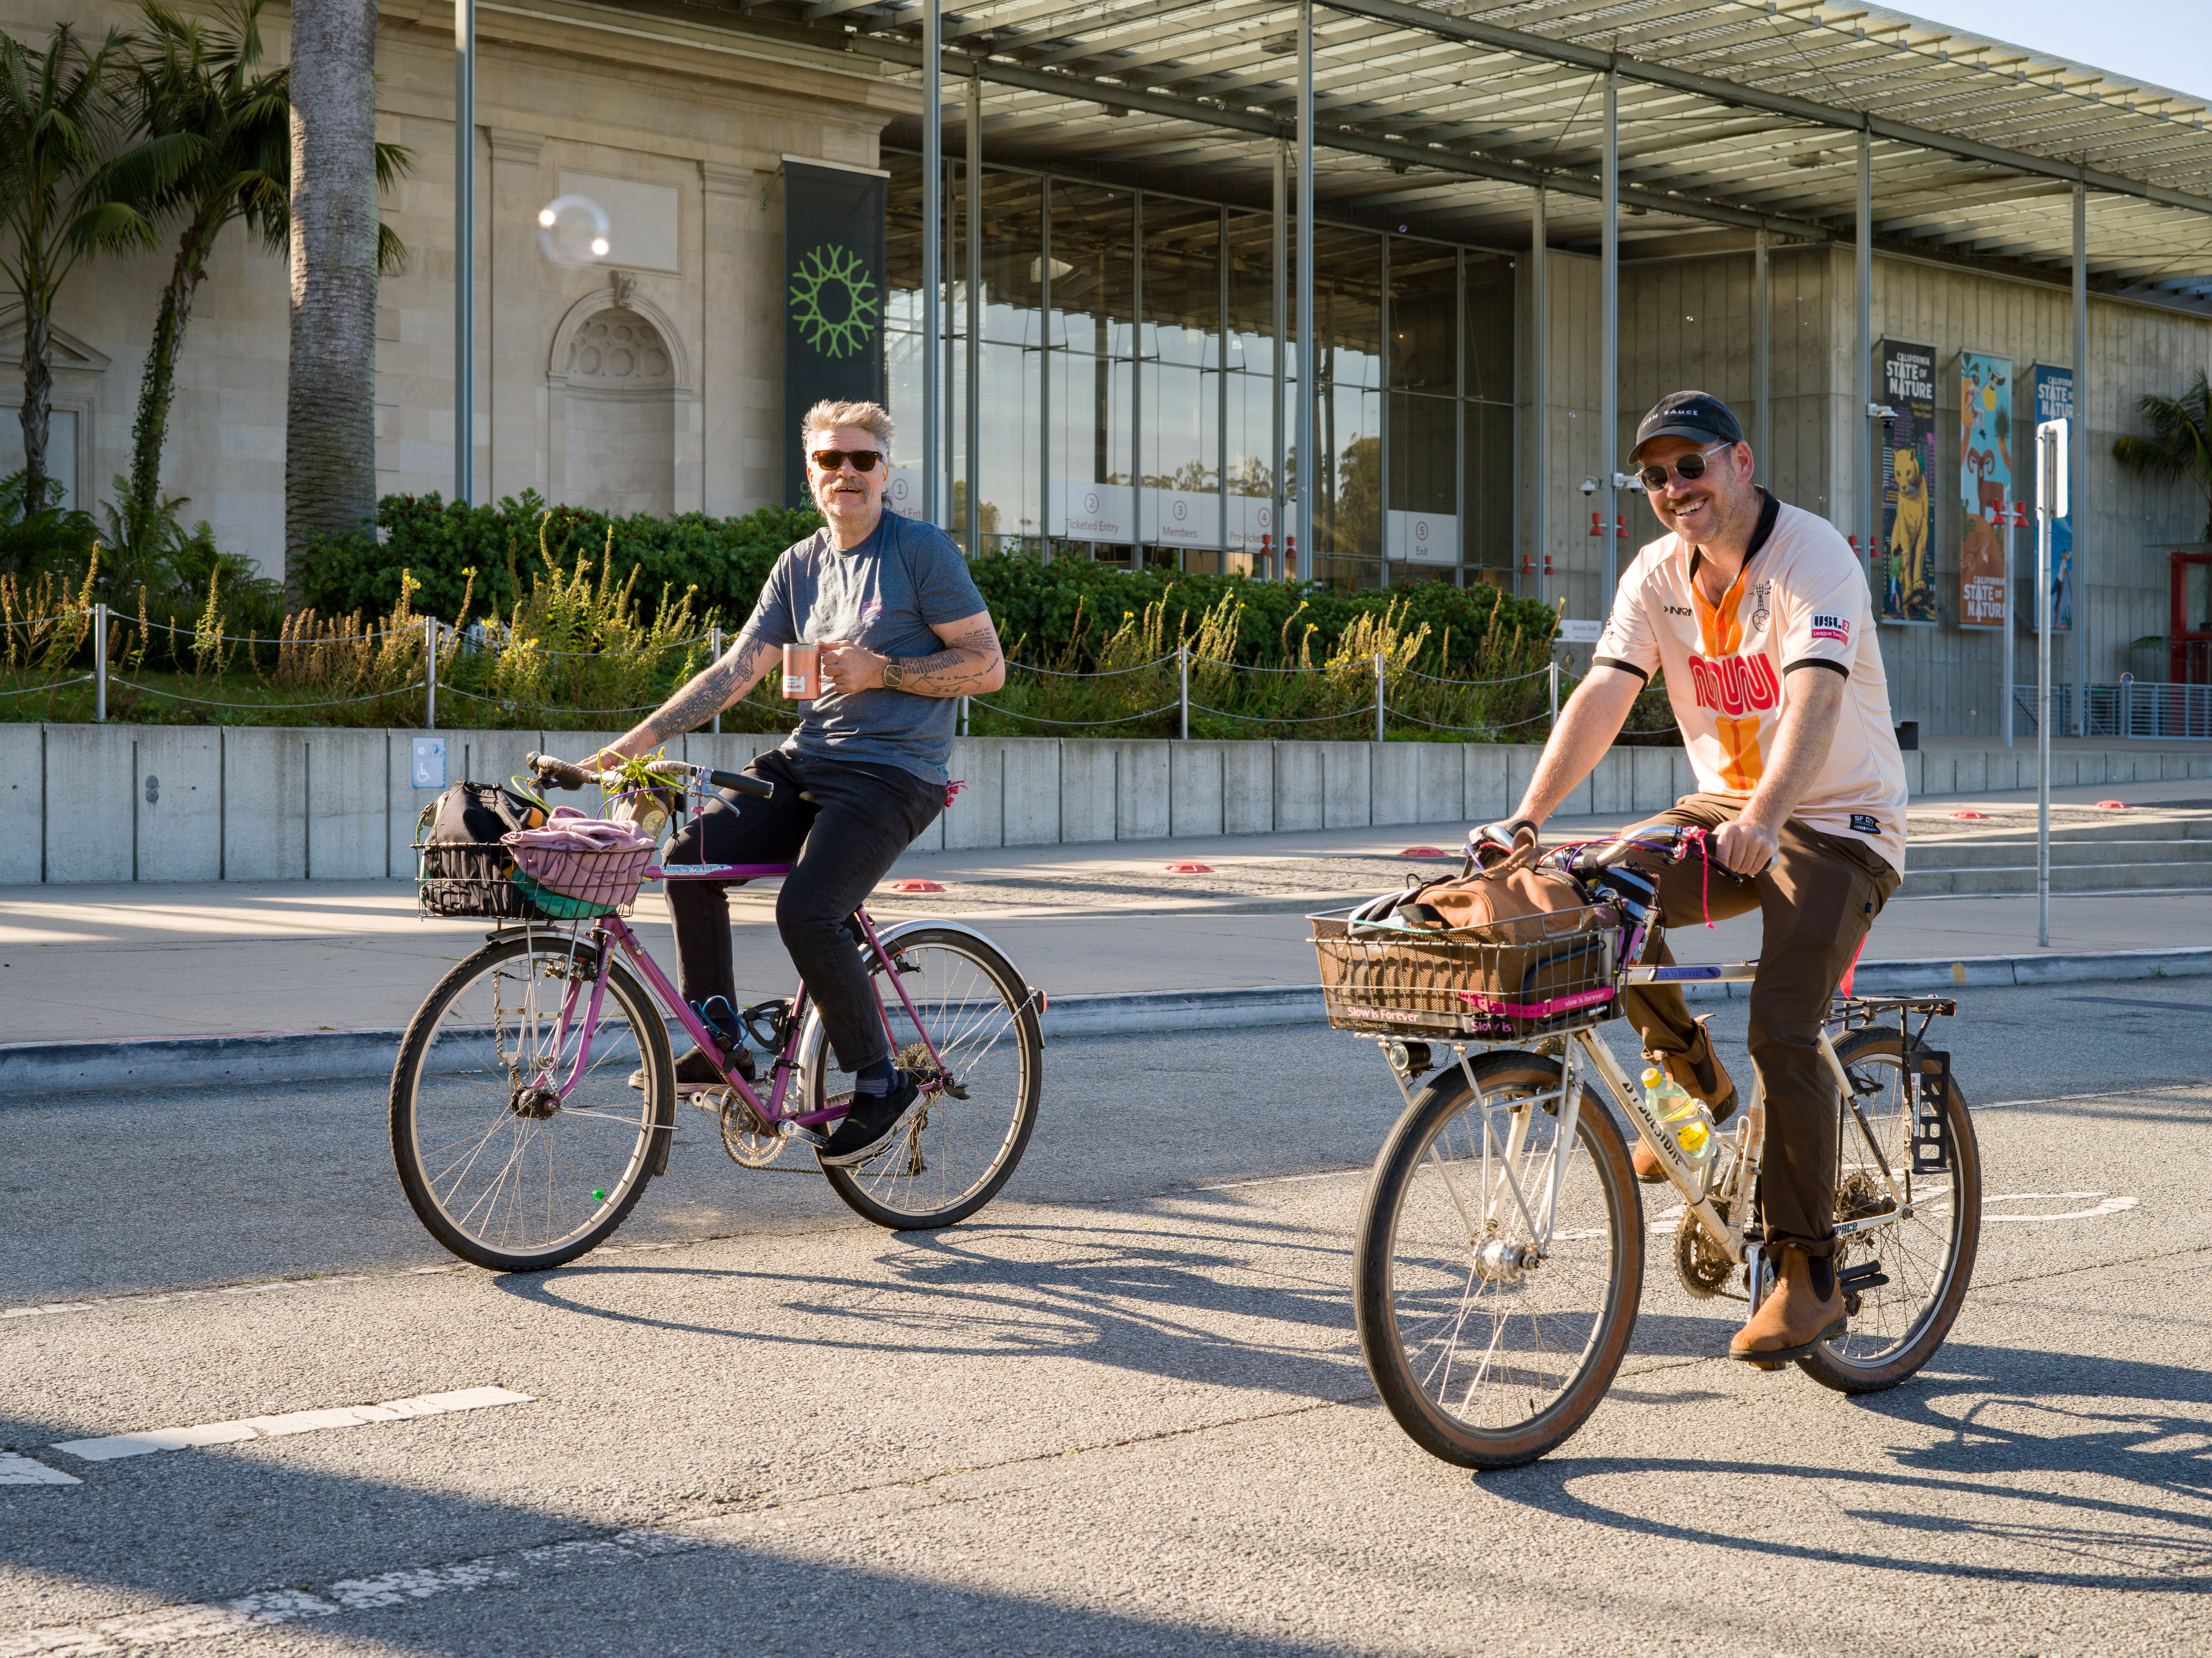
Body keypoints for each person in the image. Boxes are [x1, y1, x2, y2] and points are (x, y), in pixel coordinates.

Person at [1473, 390, 1907, 1366]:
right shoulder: (1657, 572)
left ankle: (1806, 1274)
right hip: (1729, 812)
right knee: (1592, 890)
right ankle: (1696, 1082)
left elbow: (1816, 699)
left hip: (1840, 823)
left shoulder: (1813, 557)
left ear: (1741, 462)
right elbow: (1605, 693)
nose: (1675, 489)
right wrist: (1528, 820)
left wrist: (1765, 816)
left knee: (1784, 1020)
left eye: (1692, 466)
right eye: (1656, 476)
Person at [574, 398, 1004, 1167]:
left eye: (862, 460)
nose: (847, 473)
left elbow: (988, 665)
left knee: (808, 909)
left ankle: (879, 1078)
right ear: (810, 473)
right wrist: (633, 746)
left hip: (894, 774)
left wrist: (887, 669)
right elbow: (735, 672)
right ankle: (723, 1041)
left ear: (884, 472)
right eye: (831, 461)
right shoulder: (801, 565)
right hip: (809, 759)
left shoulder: (921, 552)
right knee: (687, 860)